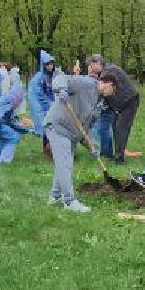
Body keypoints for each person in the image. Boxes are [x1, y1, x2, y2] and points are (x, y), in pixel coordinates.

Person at [44, 66, 102, 213]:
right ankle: (69, 201)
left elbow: (86, 128)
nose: (112, 95)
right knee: (65, 164)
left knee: (64, 163)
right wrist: (61, 89)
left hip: (71, 133)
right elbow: (59, 77)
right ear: (108, 83)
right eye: (113, 91)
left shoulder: (99, 103)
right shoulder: (87, 84)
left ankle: (56, 196)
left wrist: (92, 146)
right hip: (58, 126)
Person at [85, 54, 141, 162]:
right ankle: (116, 154)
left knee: (121, 128)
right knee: (116, 127)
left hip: (129, 101)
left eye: (92, 66)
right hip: (119, 104)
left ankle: (119, 159)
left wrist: (93, 78)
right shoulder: (105, 71)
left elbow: (101, 88)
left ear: (98, 63)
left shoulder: (109, 71)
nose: (91, 69)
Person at [26, 51, 60, 155]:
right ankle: (48, 150)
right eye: (47, 64)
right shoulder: (39, 78)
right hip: (44, 107)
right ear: (43, 65)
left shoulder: (55, 75)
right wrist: (49, 104)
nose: (50, 66)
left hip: (54, 105)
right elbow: (38, 95)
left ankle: (55, 149)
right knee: (47, 127)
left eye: (51, 64)